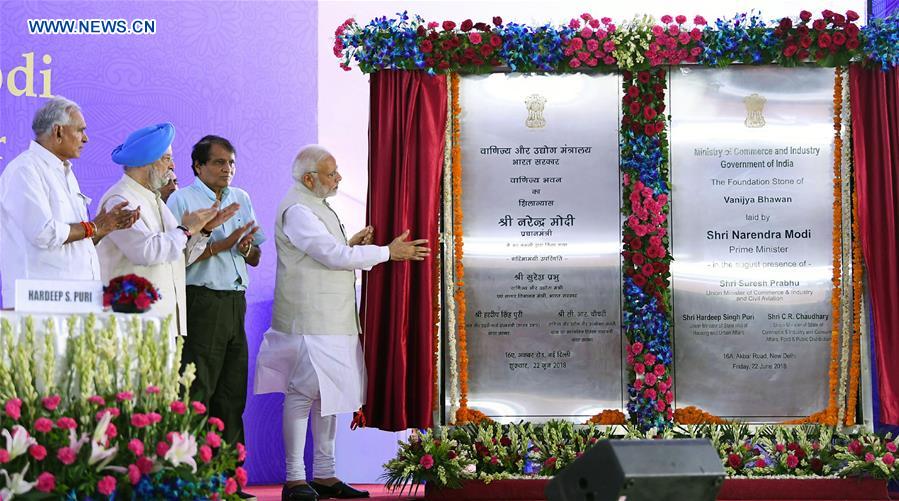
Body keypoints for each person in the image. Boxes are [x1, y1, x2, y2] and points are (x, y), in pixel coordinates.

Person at [253, 145, 429, 501]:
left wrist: (351, 244)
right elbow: (332, 257)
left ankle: (325, 474)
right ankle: (295, 479)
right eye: (332, 174)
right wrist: (386, 253)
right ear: (309, 178)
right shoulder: (299, 209)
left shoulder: (316, 204)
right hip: (310, 318)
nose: (339, 179)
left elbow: (325, 252)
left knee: (328, 398)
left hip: (331, 318)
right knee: (302, 394)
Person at [166, 134, 263, 454]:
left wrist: (246, 246)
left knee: (232, 392)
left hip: (236, 300)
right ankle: (191, 472)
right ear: (198, 165)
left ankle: (229, 475)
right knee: (198, 389)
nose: (228, 169)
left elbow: (255, 256)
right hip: (202, 301)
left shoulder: (241, 197)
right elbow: (178, 257)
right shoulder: (182, 200)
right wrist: (223, 242)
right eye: (219, 162)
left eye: (232, 162)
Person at [96, 123, 236, 335]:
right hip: (132, 324)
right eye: (167, 158)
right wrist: (185, 229)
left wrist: (203, 231)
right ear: (147, 163)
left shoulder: (154, 200)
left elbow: (177, 256)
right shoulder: (120, 200)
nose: (172, 166)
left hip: (161, 322)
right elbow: (146, 252)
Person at [0, 96, 138, 308]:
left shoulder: (65, 173)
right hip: (39, 303)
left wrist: (106, 227)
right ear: (58, 132)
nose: (86, 138)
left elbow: (75, 241)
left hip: (74, 301)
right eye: (80, 130)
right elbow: (43, 233)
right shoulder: (24, 170)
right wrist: (94, 226)